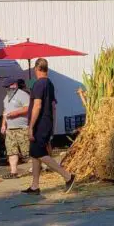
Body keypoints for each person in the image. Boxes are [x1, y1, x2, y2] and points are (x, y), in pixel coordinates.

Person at [24, 58, 75, 195]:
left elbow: (37, 105)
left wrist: (31, 127)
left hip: (39, 124)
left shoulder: (38, 84)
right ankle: (35, 186)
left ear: (36, 69)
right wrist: (52, 125)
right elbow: (53, 106)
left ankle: (68, 176)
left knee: (40, 154)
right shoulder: (50, 84)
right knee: (35, 154)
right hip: (47, 123)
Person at [1, 79, 31, 179]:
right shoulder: (6, 97)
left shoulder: (23, 95)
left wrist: (14, 113)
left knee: (27, 152)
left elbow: (27, 108)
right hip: (10, 129)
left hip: (22, 128)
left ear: (14, 85)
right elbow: (5, 111)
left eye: (8, 87)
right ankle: (13, 172)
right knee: (11, 151)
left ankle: (37, 168)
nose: (7, 89)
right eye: (5, 88)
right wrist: (3, 124)